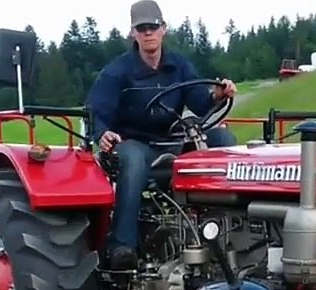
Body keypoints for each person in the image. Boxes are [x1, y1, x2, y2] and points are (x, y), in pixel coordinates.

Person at [86, 0, 239, 269]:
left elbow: (199, 102)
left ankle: (228, 229)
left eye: (153, 27)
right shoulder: (117, 71)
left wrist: (217, 94)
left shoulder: (179, 66)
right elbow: (98, 110)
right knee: (132, 158)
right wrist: (104, 133)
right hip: (135, 143)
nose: (148, 33)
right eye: (142, 28)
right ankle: (123, 245)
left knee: (223, 141)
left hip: (173, 141)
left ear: (163, 29)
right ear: (133, 33)